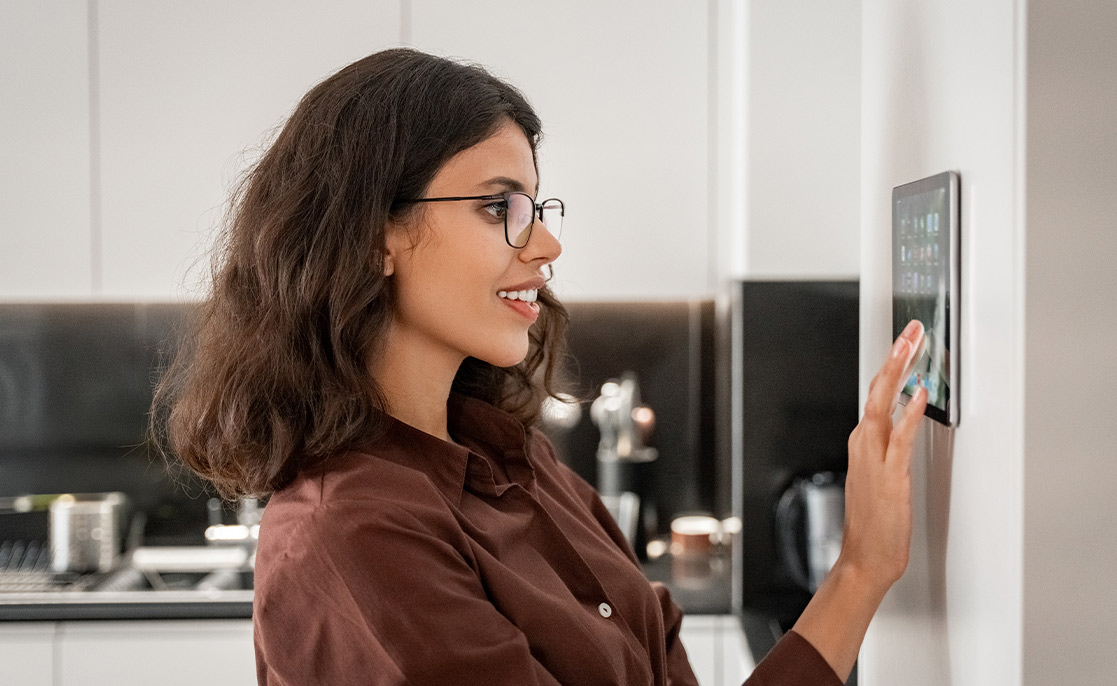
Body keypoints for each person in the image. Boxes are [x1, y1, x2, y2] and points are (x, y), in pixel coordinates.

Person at [152, 48, 929, 686]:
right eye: (500, 207)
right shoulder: (350, 533)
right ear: (372, 236)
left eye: (536, 207)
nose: (546, 244)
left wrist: (862, 566)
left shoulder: (522, 465)